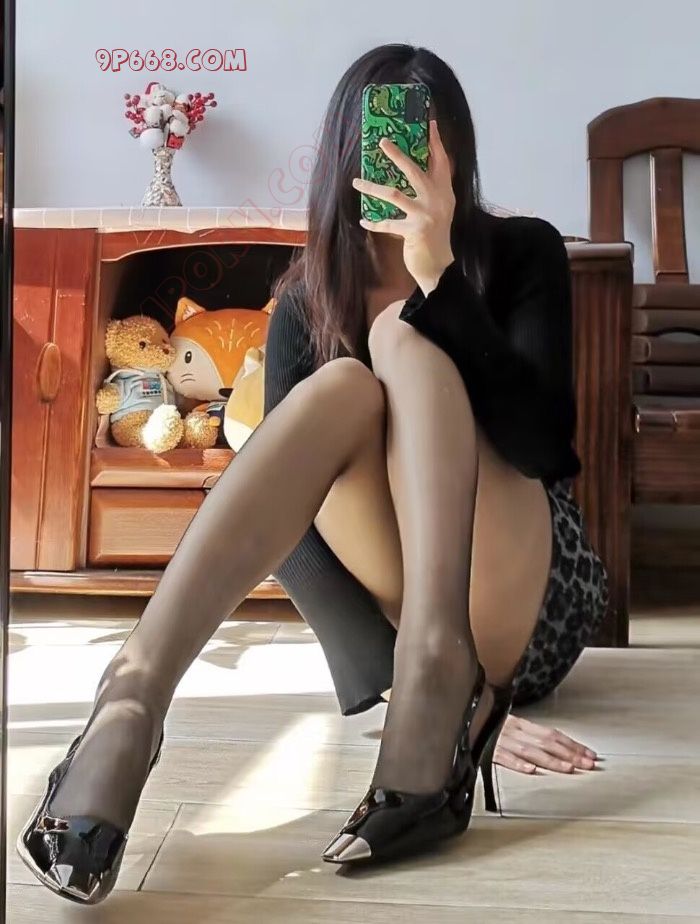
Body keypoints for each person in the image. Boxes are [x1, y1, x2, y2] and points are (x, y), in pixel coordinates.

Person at [18, 43, 608, 903]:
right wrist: (383, 686)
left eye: (422, 140)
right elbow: (287, 527)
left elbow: (547, 449)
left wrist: (440, 280)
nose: (401, 159)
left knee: (402, 334)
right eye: (381, 141)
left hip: (525, 590)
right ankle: (133, 698)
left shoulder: (522, 251)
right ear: (344, 154)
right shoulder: (307, 296)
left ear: (457, 153)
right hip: (401, 610)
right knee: (339, 389)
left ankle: (445, 676)